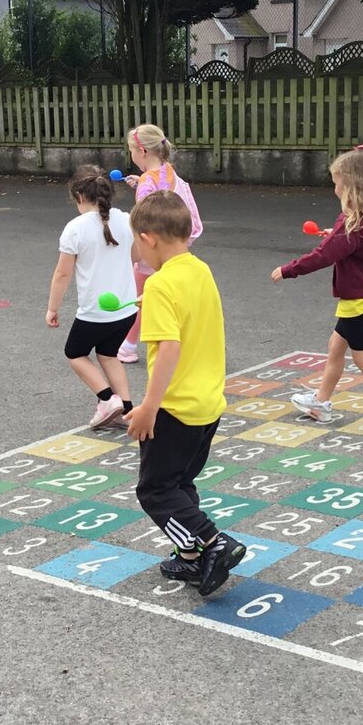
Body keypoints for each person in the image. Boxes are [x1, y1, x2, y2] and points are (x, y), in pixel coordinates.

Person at [125, 190, 243, 596]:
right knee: (179, 483)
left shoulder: (160, 285)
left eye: (137, 242)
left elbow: (169, 349)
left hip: (174, 408)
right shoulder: (199, 270)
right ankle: (190, 558)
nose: (138, 250)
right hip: (208, 403)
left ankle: (213, 542)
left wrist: (147, 408)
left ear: (150, 237)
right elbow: (189, 311)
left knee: (155, 490)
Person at [270, 145, 363, 435]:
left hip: (360, 299)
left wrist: (289, 269)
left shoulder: (352, 221)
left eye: (337, 182)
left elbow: (324, 256)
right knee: (335, 348)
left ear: (351, 183)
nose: (334, 188)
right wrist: (333, 234)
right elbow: (353, 244)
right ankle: (321, 403)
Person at [45, 166, 138, 429]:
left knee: (75, 352)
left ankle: (107, 399)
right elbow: (138, 255)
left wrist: (52, 308)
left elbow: (62, 274)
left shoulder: (75, 228)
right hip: (126, 308)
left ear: (78, 196)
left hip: (95, 312)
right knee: (108, 354)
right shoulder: (126, 219)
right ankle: (127, 410)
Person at [115, 123, 202, 365]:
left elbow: (144, 219)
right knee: (174, 295)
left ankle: (129, 346)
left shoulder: (147, 183)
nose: (131, 155)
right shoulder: (169, 171)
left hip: (152, 249)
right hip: (173, 245)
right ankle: (183, 343)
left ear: (142, 152)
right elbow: (161, 187)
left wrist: (133, 253)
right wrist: (142, 179)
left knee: (140, 297)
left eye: (131, 150)